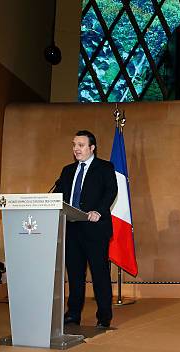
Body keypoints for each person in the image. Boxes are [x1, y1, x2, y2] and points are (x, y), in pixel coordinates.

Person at [54, 130, 118, 329]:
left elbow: (111, 191)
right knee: (74, 275)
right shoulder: (67, 170)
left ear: (92, 148)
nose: (76, 149)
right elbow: (58, 193)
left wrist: (98, 211)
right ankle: (73, 313)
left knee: (99, 275)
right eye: (74, 145)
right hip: (72, 229)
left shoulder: (105, 167)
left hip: (95, 229)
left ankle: (104, 316)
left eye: (81, 145)